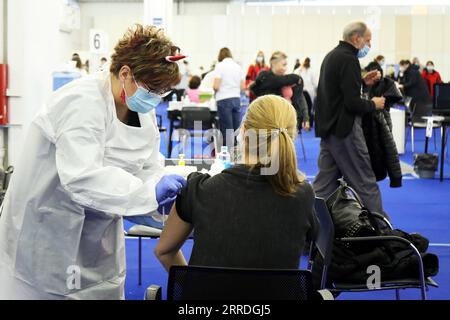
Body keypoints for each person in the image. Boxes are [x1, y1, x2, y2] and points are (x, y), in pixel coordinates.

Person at [0, 24, 187, 300]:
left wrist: (160, 196)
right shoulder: (82, 102)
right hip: (47, 237)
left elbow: (146, 168)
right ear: (125, 73)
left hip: (99, 242)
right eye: (153, 89)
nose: (156, 99)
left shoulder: (141, 113)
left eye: (162, 92)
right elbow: (82, 177)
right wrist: (147, 193)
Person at [154, 95, 317, 271]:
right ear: (291, 136)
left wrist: (189, 284)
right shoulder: (303, 195)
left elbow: (164, 252)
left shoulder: (199, 190)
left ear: (243, 131)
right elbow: (320, 249)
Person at [313, 21, 388, 217]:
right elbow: (353, 103)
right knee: (365, 182)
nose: (369, 45)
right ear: (357, 38)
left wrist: (362, 81)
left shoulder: (332, 56)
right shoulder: (349, 59)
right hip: (345, 131)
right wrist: (374, 104)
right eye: (368, 40)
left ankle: (308, 230)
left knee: (323, 188)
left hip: (329, 131)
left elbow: (337, 92)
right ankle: (381, 232)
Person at [251, 51, 310, 132]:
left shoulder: (289, 80)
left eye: (286, 65)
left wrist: (305, 117)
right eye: (283, 65)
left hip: (288, 122)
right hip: (270, 124)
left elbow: (300, 98)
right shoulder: (265, 77)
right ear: (274, 64)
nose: (285, 68)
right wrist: (297, 79)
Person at [213, 48, 245, 148]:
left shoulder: (220, 66)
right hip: (236, 99)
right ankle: (237, 155)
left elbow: (216, 86)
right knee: (236, 130)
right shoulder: (238, 67)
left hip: (223, 99)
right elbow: (242, 87)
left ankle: (227, 156)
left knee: (227, 130)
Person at [295, 57, 317, 128]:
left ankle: (304, 125)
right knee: (307, 108)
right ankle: (307, 124)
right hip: (305, 92)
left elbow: (315, 83)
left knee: (304, 108)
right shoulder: (299, 70)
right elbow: (315, 84)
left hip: (305, 92)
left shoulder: (310, 71)